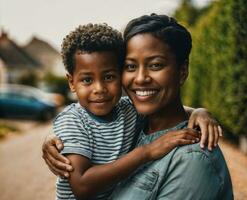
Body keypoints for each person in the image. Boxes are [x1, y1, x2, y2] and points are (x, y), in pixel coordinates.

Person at [42, 14, 231, 200]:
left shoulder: (193, 157)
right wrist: (58, 139)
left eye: (156, 65)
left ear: (182, 71)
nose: (140, 78)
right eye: (131, 67)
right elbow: (82, 182)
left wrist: (200, 112)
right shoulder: (136, 123)